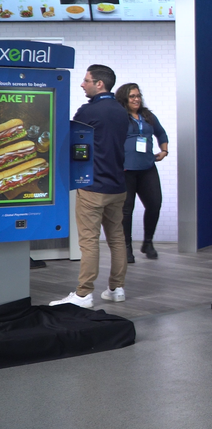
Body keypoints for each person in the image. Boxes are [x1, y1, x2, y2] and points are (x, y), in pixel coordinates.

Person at [50, 65, 130, 308]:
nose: (82, 84)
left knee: (89, 242)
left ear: (99, 84)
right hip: (117, 187)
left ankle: (83, 294)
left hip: (93, 187)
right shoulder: (120, 110)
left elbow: (68, 139)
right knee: (117, 239)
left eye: (86, 80)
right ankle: (116, 289)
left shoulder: (89, 111)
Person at [115, 83, 169, 264]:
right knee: (127, 211)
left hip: (147, 168)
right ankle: (127, 249)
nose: (136, 99)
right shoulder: (119, 117)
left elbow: (161, 134)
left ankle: (148, 242)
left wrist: (164, 150)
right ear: (124, 98)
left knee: (154, 205)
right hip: (125, 170)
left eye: (138, 95)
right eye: (132, 96)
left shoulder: (147, 116)